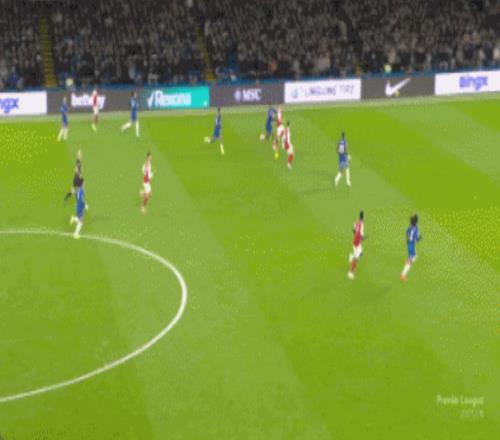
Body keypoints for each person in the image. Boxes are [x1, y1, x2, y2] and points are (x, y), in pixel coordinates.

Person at [401, 214, 421, 281]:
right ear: (416, 221)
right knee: (411, 259)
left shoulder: (410, 227)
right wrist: (419, 238)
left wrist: (408, 240)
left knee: (414, 257)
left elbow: (407, 232)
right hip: (411, 245)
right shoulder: (416, 229)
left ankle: (407, 263)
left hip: (410, 244)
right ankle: (403, 275)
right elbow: (418, 239)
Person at [348, 211, 365, 280]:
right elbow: (361, 236)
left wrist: (356, 235)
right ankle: (350, 273)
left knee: (361, 253)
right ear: (363, 217)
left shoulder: (357, 222)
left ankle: (352, 257)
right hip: (357, 243)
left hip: (356, 242)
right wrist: (365, 237)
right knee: (356, 259)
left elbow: (353, 229)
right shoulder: (362, 225)